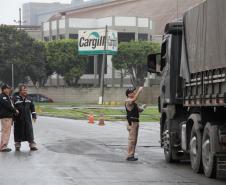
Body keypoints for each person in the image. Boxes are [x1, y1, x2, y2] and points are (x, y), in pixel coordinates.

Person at [13, 84, 38, 151]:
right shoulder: (15, 98)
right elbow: (12, 108)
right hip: (18, 119)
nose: (25, 91)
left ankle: (32, 145)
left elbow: (32, 108)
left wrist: (34, 116)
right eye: (24, 90)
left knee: (29, 131)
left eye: (26, 90)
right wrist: (13, 117)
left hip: (27, 119)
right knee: (18, 132)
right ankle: (17, 145)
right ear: (20, 91)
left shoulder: (29, 98)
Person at [125, 86, 144, 161]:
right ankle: (129, 155)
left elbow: (139, 110)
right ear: (129, 94)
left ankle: (131, 154)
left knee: (134, 140)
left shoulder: (133, 102)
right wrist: (139, 91)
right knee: (132, 140)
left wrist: (143, 108)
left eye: (134, 91)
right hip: (132, 123)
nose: (134, 92)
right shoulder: (128, 101)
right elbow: (134, 99)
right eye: (132, 92)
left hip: (135, 122)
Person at [0, 84, 18, 152]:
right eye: (7, 88)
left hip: (8, 116)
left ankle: (3, 146)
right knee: (6, 131)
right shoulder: (3, 97)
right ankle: (3, 146)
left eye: (9, 88)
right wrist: (15, 110)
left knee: (6, 131)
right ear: (4, 89)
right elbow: (7, 105)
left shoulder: (7, 96)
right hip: (6, 116)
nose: (9, 89)